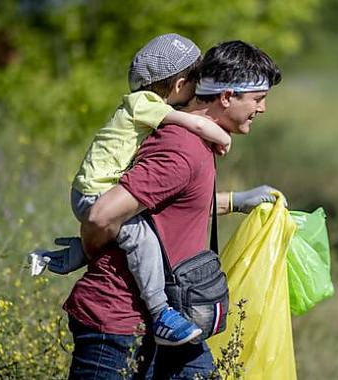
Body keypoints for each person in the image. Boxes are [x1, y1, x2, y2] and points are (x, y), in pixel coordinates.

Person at [64, 40, 282, 379]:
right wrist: (89, 252)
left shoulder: (195, 142)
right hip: (120, 321)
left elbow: (172, 207)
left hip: (167, 320)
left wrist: (237, 201)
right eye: (258, 98)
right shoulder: (181, 148)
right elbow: (100, 215)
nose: (263, 108)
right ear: (226, 97)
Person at [29, 33, 234, 346]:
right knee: (141, 238)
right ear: (180, 85)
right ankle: (161, 311)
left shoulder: (141, 103)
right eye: (196, 82)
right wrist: (222, 138)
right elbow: (195, 125)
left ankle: (61, 257)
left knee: (130, 232)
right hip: (95, 192)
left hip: (94, 189)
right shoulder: (145, 104)